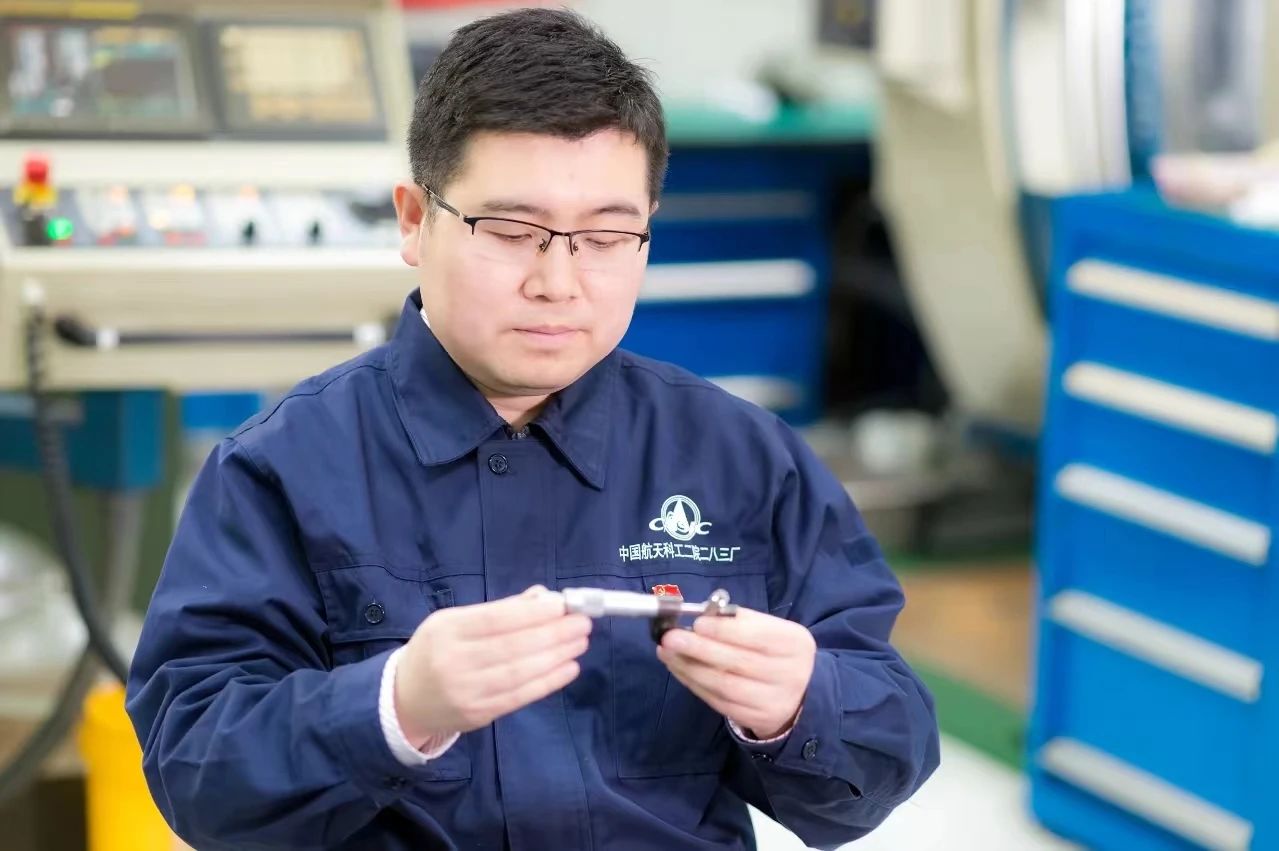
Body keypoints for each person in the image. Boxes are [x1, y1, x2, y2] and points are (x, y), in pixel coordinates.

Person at [126, 9, 940, 850]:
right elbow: (196, 772)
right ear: (413, 218)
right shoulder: (281, 469)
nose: (558, 281)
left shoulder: (741, 459)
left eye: (606, 236)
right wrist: (393, 706)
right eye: (512, 232)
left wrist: (800, 704)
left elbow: (887, 747)